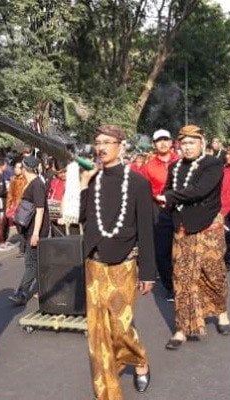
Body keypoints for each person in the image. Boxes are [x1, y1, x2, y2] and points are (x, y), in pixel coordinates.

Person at [80, 125, 156, 398]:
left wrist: (148, 272)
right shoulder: (93, 181)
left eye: (107, 142)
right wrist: (83, 186)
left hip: (124, 264)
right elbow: (82, 219)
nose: (101, 147)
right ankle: (107, 392)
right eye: (97, 142)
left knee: (121, 328)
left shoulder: (137, 183)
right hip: (95, 264)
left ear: (120, 146)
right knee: (97, 332)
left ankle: (140, 360)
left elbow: (146, 230)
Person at [156, 125, 230, 349]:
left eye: (192, 143)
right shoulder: (175, 166)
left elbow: (200, 190)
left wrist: (168, 196)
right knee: (182, 277)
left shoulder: (213, 164)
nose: (187, 148)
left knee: (213, 273)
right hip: (182, 229)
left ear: (202, 143)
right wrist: (164, 202)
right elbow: (169, 189)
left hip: (208, 227)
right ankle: (181, 329)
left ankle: (222, 312)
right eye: (184, 143)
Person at [139, 129, 179, 301]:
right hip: (158, 209)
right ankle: (170, 287)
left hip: (180, 208)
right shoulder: (148, 167)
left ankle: (185, 284)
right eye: (159, 141)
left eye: (166, 140)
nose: (163, 143)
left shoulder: (181, 161)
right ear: (154, 145)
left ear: (172, 142)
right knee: (162, 251)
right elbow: (142, 190)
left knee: (182, 249)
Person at [8, 155, 49, 306]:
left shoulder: (37, 184)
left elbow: (40, 210)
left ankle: (22, 293)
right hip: (29, 229)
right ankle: (43, 288)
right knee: (37, 261)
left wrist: (36, 233)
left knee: (30, 262)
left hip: (35, 230)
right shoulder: (32, 183)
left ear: (25, 168)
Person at [6, 160, 28, 256]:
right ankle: (24, 246)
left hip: (24, 207)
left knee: (24, 228)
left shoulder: (26, 180)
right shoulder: (13, 179)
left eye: (18, 167)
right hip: (15, 207)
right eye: (15, 167)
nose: (16, 169)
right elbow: (10, 194)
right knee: (19, 229)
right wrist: (8, 205)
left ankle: (23, 249)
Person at [0, 157, 13, 251]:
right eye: (5, 164)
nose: (6, 166)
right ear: (1, 166)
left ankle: (4, 240)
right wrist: (8, 191)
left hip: (3, 203)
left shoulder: (0, 175)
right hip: (0, 204)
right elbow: (0, 192)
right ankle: (1, 242)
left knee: (5, 222)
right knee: (1, 222)